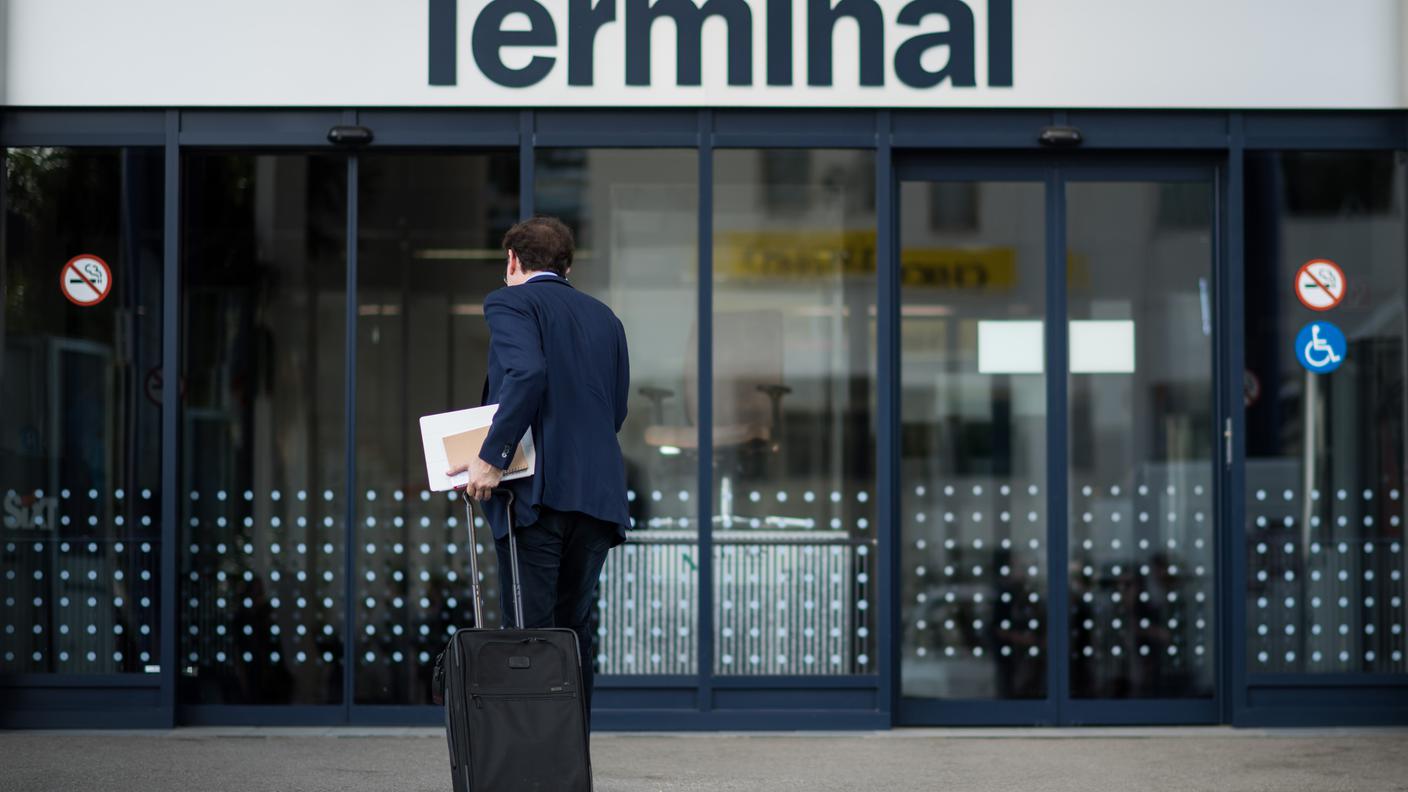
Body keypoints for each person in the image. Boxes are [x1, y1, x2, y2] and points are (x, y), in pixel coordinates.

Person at [446, 216, 630, 722]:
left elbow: (527, 372)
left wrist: (490, 459)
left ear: (513, 262)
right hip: (596, 497)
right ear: (567, 265)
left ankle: (533, 764)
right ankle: (569, 762)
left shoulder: (510, 300)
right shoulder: (605, 317)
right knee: (573, 636)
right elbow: (613, 412)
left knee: (530, 636)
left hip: (537, 498)